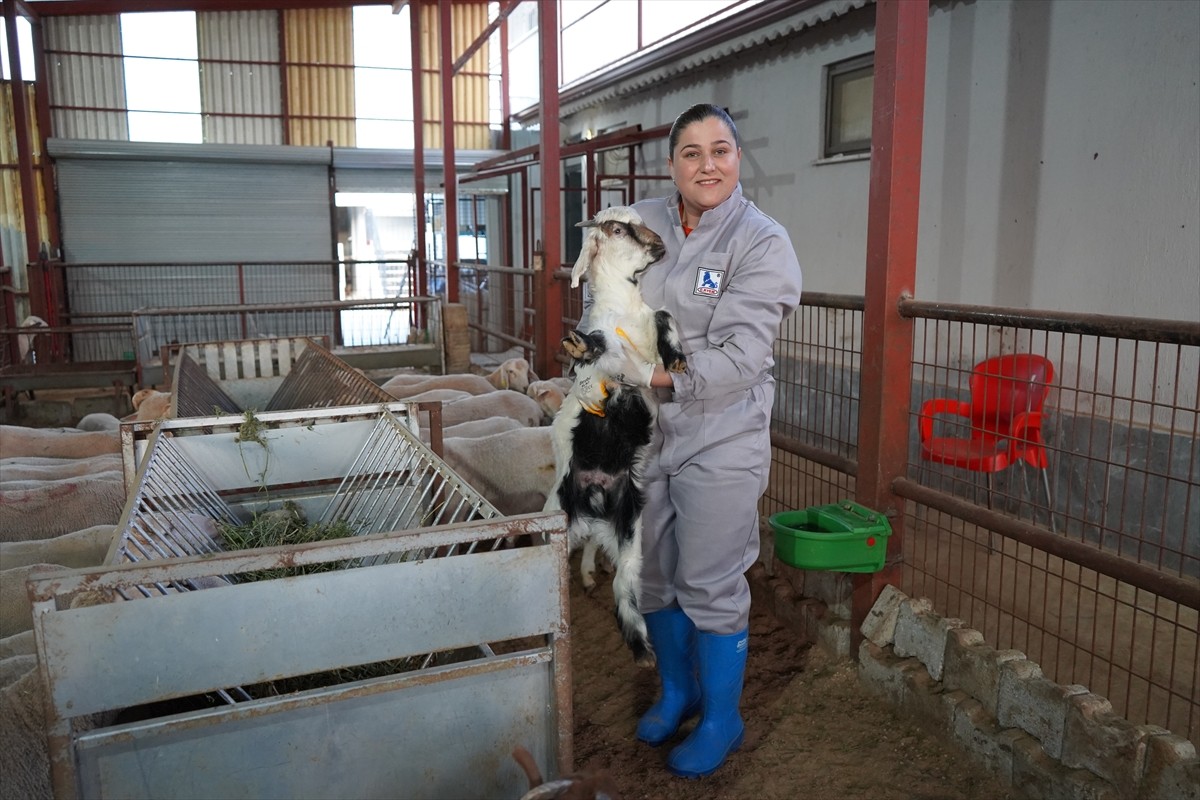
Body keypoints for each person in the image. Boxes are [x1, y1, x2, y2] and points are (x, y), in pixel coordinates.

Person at [582, 103, 803, 778]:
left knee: (708, 577)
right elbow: (604, 300)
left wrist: (651, 371)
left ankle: (721, 716)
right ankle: (678, 691)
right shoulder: (638, 221)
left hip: (722, 429)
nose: (707, 164)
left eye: (721, 151)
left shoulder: (761, 242)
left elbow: (739, 357)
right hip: (646, 430)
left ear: (737, 158)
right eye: (691, 153)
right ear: (672, 163)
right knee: (651, 572)